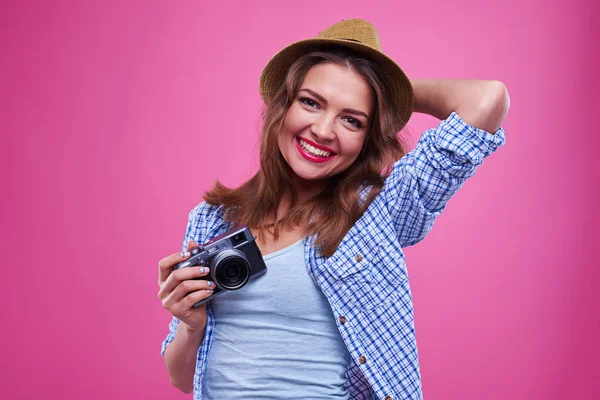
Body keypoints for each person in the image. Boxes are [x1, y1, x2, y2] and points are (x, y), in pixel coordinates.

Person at [157, 19, 509, 400]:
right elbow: (181, 379)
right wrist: (189, 323)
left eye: (352, 120)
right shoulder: (212, 219)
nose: (324, 131)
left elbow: (487, 100)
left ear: (367, 138)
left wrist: (390, 95)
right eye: (311, 102)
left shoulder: (379, 210)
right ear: (282, 105)